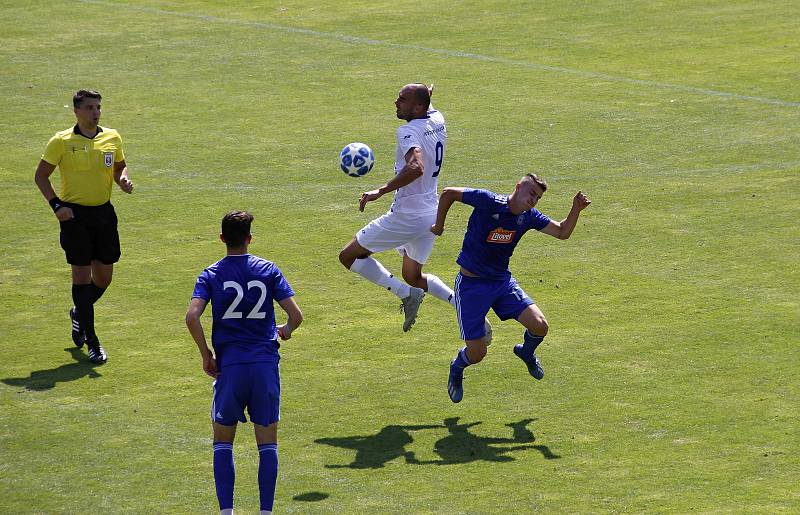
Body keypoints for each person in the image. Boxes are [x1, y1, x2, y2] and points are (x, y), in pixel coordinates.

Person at [430, 174, 591, 402]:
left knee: (540, 326)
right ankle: (457, 367)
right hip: (471, 286)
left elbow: (562, 232)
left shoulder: (528, 217)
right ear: (518, 186)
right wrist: (439, 226)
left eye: (538, 197)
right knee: (477, 354)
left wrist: (575, 209)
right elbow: (448, 193)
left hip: (501, 283)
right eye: (531, 193)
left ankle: (526, 351)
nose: (533, 200)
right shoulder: (488, 200)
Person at [185, 211, 303, 515]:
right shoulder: (268, 270)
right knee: (268, 443)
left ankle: (227, 512)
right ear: (249, 239)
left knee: (223, 441)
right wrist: (285, 332)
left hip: (231, 368)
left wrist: (206, 354)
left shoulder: (210, 274)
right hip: (264, 366)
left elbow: (192, 316)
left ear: (222, 238)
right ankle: (265, 511)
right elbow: (296, 316)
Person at [338, 83, 459, 332]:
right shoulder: (437, 118)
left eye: (402, 100)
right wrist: (426, 91)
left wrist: (380, 191)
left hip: (407, 216)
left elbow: (416, 167)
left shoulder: (407, 133)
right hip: (430, 214)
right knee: (413, 275)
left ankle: (406, 294)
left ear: (417, 107)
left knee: (348, 256)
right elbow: (427, 99)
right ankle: (461, 304)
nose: (396, 102)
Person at [34, 89, 134, 364]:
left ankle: (79, 313)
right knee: (80, 278)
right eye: (90, 107)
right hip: (74, 218)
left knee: (103, 278)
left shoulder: (112, 137)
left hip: (104, 214)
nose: (96, 112)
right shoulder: (61, 141)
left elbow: (120, 167)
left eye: (98, 107)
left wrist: (123, 179)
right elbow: (41, 176)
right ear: (76, 111)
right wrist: (57, 206)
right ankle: (92, 341)